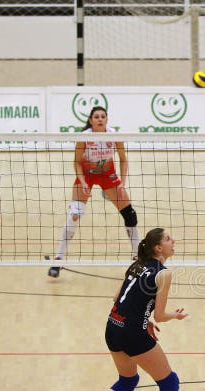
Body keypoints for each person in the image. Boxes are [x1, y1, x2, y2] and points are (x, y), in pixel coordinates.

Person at [78, 227, 192, 391]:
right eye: (169, 239)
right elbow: (160, 315)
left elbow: (117, 298)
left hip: (113, 325)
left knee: (128, 380)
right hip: (131, 332)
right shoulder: (163, 274)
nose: (174, 241)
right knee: (169, 382)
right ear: (158, 248)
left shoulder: (135, 265)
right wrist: (174, 316)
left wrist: (144, 318)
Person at [48, 106, 138, 278]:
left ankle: (137, 258)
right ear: (91, 120)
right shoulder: (85, 138)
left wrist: (123, 183)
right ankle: (58, 259)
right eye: (96, 116)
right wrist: (82, 182)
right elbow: (76, 162)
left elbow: (123, 160)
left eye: (103, 116)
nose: (100, 119)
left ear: (107, 119)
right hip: (87, 175)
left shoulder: (114, 136)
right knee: (75, 214)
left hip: (107, 174)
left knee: (130, 214)